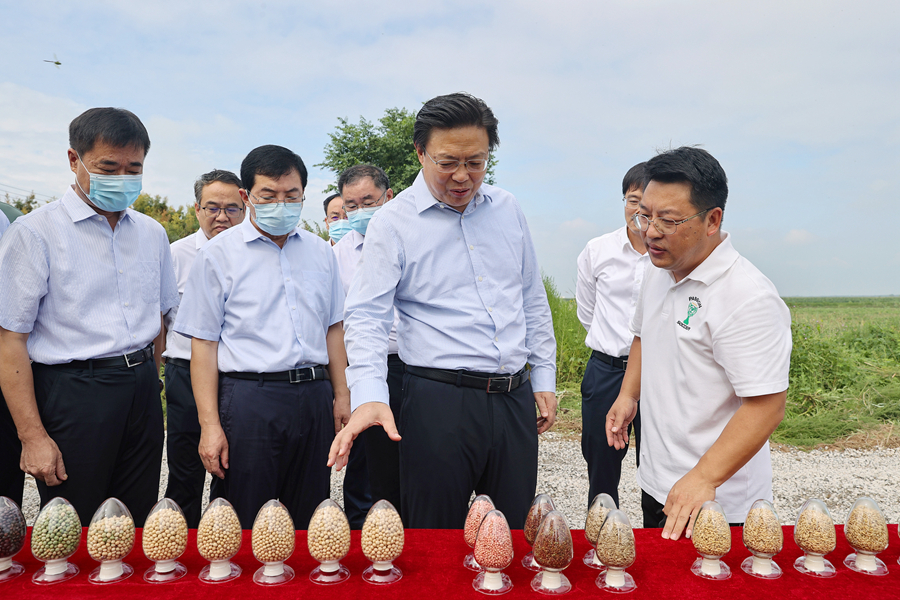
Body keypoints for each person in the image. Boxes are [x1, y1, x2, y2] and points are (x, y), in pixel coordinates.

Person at [329, 92, 558, 530]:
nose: (462, 176)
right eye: (447, 162)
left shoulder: (507, 209)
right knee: (435, 535)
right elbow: (367, 317)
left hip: (513, 397)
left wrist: (543, 375)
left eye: (476, 162)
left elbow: (531, 297)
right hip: (439, 402)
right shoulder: (393, 222)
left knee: (511, 532)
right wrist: (370, 395)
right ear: (420, 152)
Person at [0, 107, 177, 526]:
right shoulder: (36, 232)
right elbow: (10, 340)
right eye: (108, 168)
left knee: (133, 521)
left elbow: (160, 317)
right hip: (74, 392)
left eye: (133, 169)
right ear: (73, 159)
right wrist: (32, 435)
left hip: (140, 389)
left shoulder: (151, 233)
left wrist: (150, 378)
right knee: (72, 526)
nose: (122, 178)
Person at [606, 146, 791, 540]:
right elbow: (643, 334)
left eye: (668, 220)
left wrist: (704, 477)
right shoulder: (659, 268)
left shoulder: (747, 296)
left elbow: (766, 405)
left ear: (712, 220)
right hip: (658, 481)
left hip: (716, 499)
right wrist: (628, 395)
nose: (650, 231)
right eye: (645, 215)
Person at [174, 145, 350, 529]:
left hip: (314, 397)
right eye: (268, 195)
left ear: (303, 193)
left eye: (291, 195)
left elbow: (333, 328)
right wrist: (210, 425)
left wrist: (341, 395)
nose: (280, 204)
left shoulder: (321, 253)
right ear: (246, 195)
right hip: (250, 399)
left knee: (310, 516)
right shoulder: (218, 255)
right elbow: (203, 344)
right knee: (244, 515)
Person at [160, 169, 244, 527]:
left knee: (232, 471)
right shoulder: (175, 255)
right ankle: (182, 542)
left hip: (236, 378)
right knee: (186, 469)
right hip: (184, 373)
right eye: (212, 207)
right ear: (197, 209)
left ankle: (224, 539)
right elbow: (160, 320)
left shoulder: (252, 254)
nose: (222, 216)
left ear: (245, 208)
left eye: (232, 208)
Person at [576, 162, 649, 508]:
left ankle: (659, 537)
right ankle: (603, 533)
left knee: (660, 468)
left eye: (648, 202)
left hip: (657, 374)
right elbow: (587, 312)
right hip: (606, 371)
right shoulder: (598, 250)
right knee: (601, 467)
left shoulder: (674, 256)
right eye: (633, 200)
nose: (640, 210)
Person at [332, 164, 402, 524]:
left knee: (411, 451)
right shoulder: (338, 255)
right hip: (364, 364)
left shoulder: (408, 237)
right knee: (367, 457)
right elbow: (337, 322)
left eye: (369, 202)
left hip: (412, 364)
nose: (360, 211)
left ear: (388, 197)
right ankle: (364, 526)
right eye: (352, 205)